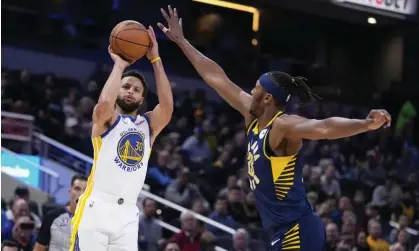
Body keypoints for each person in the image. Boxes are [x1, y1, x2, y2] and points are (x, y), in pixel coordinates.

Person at [158, 6, 392, 251]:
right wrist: (183, 42)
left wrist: (366, 124)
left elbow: (324, 127)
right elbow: (216, 78)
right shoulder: (252, 113)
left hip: (297, 229)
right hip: (280, 230)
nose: (252, 89)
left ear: (268, 98)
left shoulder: (282, 125)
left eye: (257, 87)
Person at [69, 26, 174, 251]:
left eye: (136, 90)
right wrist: (119, 65)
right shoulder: (106, 120)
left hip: (127, 214)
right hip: (97, 207)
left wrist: (155, 58)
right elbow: (104, 105)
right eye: (126, 87)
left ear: (142, 98)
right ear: (117, 89)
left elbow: (167, 107)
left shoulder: (147, 125)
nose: (130, 91)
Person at [33, 174, 87, 251]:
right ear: (70, 192)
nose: (81, 194)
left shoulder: (95, 222)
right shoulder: (52, 217)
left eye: (85, 190)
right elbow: (38, 249)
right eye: (77, 189)